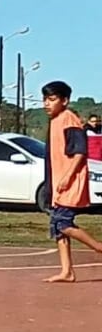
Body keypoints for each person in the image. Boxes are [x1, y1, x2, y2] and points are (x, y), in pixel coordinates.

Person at [41, 81, 102, 284]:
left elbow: (79, 152)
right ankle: (67, 271)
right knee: (57, 227)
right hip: (58, 183)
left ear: (64, 100)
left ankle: (99, 247)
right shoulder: (55, 121)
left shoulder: (70, 120)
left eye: (51, 99)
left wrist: (67, 176)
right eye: (45, 100)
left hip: (70, 182)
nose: (46, 104)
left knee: (63, 223)